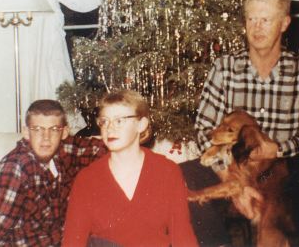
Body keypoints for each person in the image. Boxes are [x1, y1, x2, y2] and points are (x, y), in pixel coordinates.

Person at [186, 0, 299, 246]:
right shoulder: (225, 67)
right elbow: (203, 129)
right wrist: (232, 179)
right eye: (251, 19)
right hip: (233, 166)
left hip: (281, 173)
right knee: (183, 175)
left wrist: (279, 150)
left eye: (265, 20)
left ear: (284, 23)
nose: (257, 28)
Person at [62, 90, 198, 246]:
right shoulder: (87, 179)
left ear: (141, 124)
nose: (110, 128)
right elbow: (72, 241)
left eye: (119, 120)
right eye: (104, 121)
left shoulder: (167, 171)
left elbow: (182, 235)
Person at [0, 99, 107, 246]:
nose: (45, 138)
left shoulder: (63, 152)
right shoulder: (15, 169)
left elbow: (102, 149)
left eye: (54, 129)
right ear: (26, 132)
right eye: (37, 129)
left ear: (64, 132)